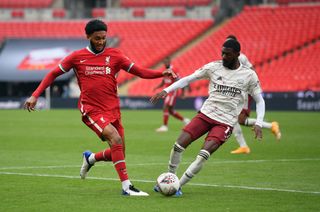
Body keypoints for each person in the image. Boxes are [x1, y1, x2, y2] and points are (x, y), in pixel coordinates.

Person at [23, 19, 176, 196]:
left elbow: (140, 71)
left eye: (104, 38)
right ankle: (127, 187)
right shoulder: (77, 57)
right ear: (88, 36)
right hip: (91, 109)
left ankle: (91, 158)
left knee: (119, 152)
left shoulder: (116, 55)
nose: (101, 41)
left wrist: (161, 73)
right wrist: (35, 94)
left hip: (113, 109)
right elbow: (53, 73)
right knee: (116, 140)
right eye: (97, 38)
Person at [150, 38, 265, 196]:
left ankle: (178, 186)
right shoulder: (213, 67)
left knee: (202, 156)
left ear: (238, 54)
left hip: (224, 123)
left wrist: (258, 122)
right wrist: (166, 90)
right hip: (206, 115)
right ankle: (170, 178)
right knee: (178, 145)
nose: (224, 57)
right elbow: (189, 78)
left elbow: (260, 100)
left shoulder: (249, 75)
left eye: (228, 54)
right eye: (222, 53)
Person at [226, 35, 281, 154]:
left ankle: (246, 144)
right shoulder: (234, 58)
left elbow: (252, 71)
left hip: (244, 91)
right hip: (238, 91)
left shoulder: (240, 57)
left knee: (236, 118)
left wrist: (251, 87)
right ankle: (269, 127)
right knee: (238, 119)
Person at [153, 57, 190, 132]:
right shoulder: (165, 71)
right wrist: (157, 87)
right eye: (164, 61)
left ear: (169, 61)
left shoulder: (174, 70)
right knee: (170, 110)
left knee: (165, 107)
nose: (165, 63)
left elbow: (180, 81)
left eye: (167, 61)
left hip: (172, 91)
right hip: (167, 91)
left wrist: (183, 92)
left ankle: (165, 126)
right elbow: (164, 81)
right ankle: (185, 120)